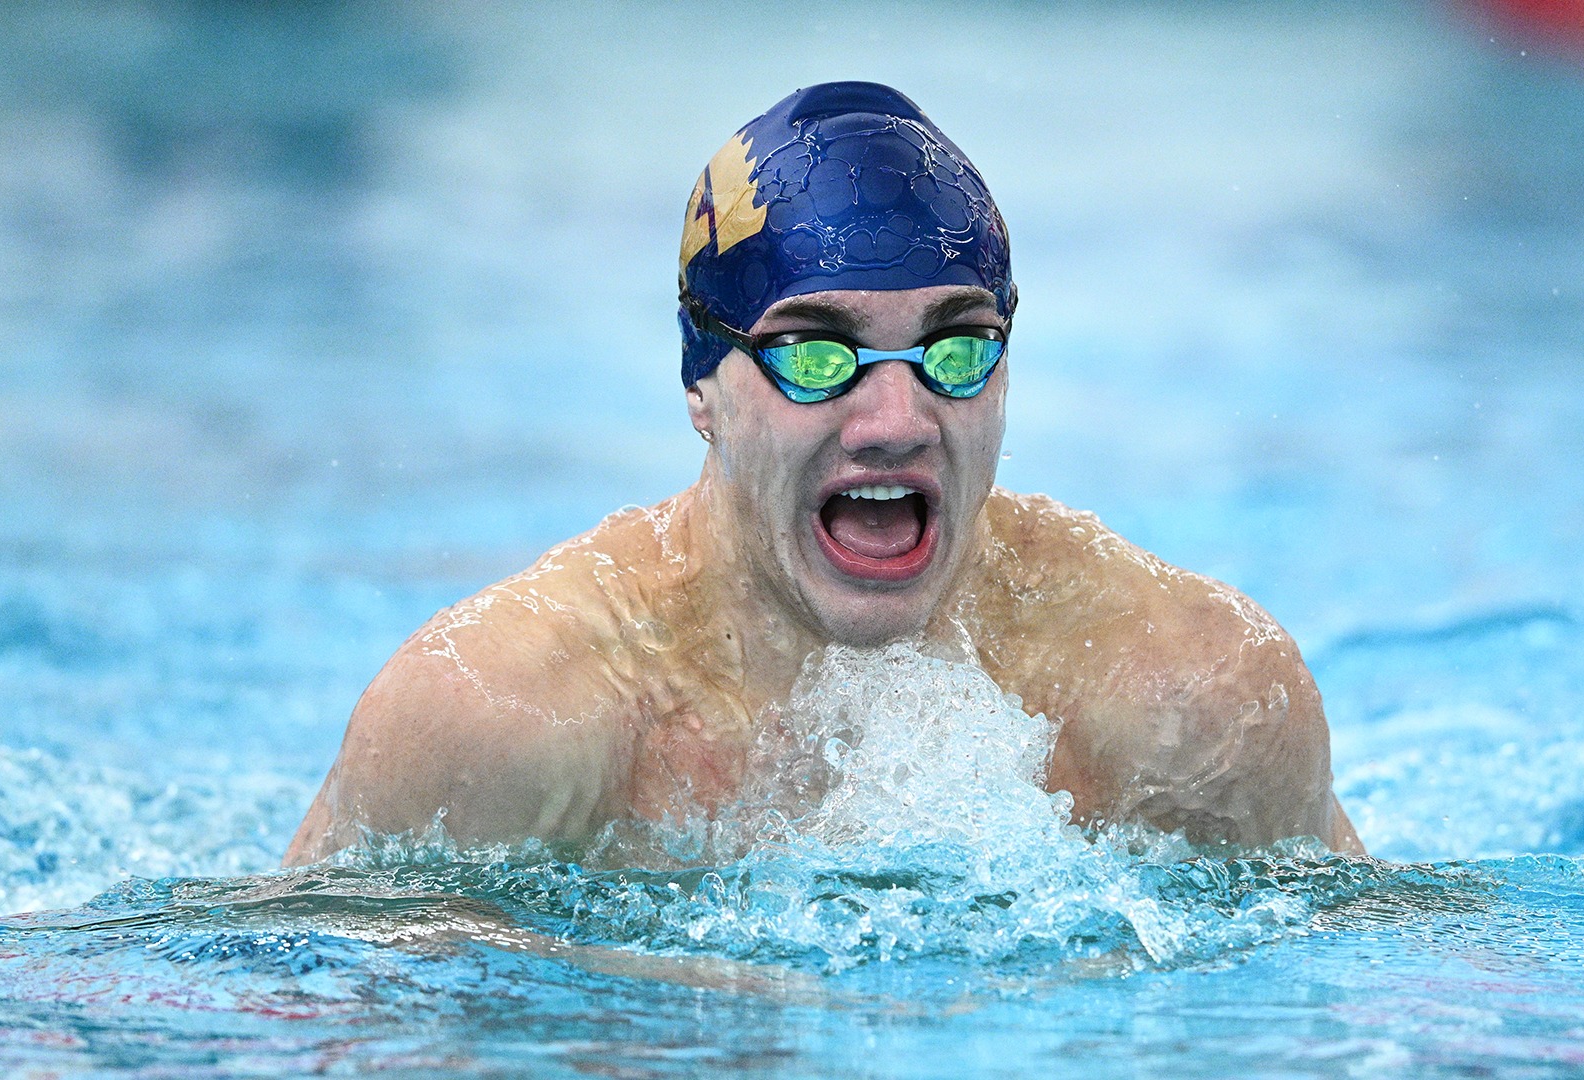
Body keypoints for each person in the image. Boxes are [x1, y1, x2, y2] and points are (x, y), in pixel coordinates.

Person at [284, 81, 1362, 867]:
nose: (895, 421)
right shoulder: (502, 721)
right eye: (815, 355)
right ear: (702, 383)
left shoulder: (1191, 700)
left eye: (954, 346)